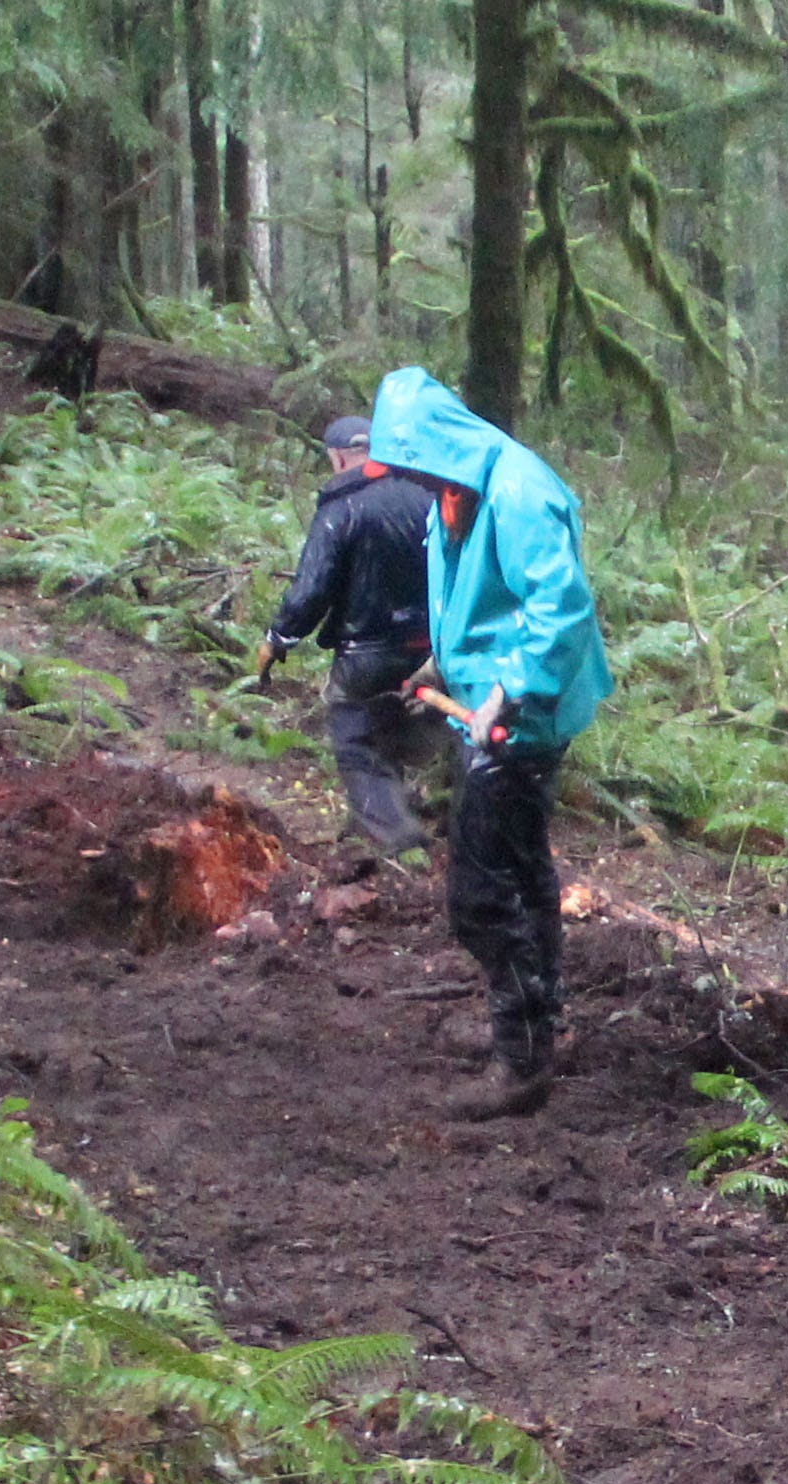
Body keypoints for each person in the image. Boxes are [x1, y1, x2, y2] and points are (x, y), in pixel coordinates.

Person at [357, 368, 612, 1121]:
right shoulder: (455, 494)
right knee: (526, 873)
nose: (407, 480)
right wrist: (443, 662)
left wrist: (509, 688)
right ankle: (540, 1023)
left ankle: (521, 1057)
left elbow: (560, 606)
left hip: (520, 718)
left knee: (478, 892)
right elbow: (474, 601)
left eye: (411, 465)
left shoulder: (519, 492)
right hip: (485, 701)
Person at [260, 413, 444, 856]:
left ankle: (397, 841)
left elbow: (312, 588)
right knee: (402, 729)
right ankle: (415, 815)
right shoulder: (429, 497)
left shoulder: (342, 506)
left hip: (366, 652)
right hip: (434, 650)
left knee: (355, 740)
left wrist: (278, 638)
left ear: (338, 458)